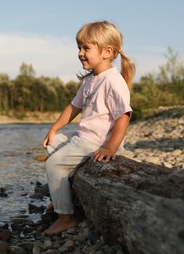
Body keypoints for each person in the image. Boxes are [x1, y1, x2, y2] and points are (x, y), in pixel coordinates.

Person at [42, 20, 136, 235]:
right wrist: (54, 129)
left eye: (86, 48)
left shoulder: (113, 80)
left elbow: (124, 116)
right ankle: (61, 197)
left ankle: (66, 217)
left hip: (98, 143)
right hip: (83, 140)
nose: (80, 53)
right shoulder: (89, 80)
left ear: (107, 52)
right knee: (52, 144)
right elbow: (73, 107)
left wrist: (111, 148)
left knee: (54, 164)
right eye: (79, 48)